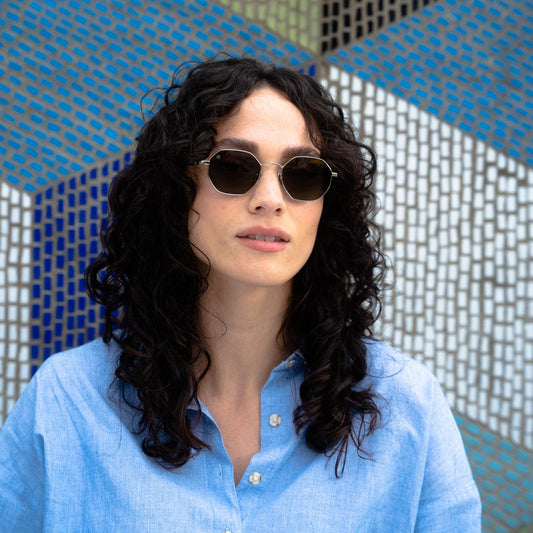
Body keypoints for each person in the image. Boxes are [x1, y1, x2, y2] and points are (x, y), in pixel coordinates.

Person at [0, 56, 481, 531]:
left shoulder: (406, 406)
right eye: (233, 167)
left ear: (325, 207)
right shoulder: (67, 401)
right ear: (179, 190)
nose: (270, 199)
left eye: (302, 173)